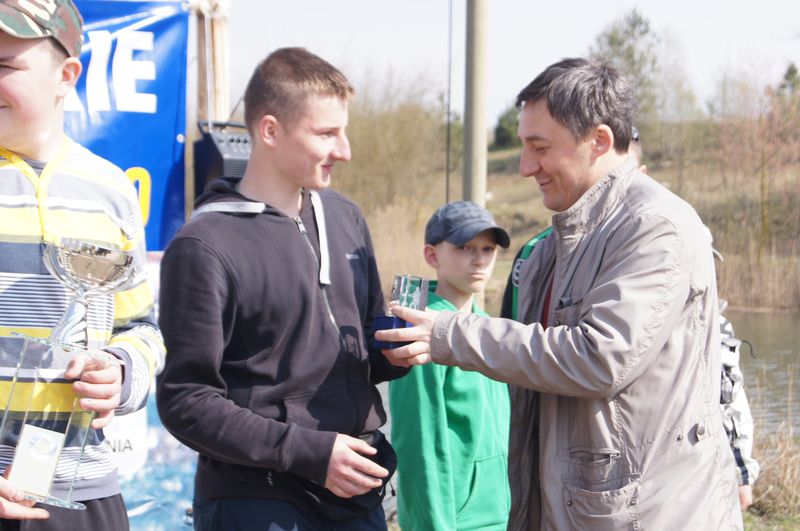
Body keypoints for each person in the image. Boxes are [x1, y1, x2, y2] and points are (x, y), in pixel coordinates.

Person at [378, 57, 743, 529]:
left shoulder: (656, 227)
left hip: (647, 516)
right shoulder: (550, 247)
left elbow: (600, 358)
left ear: (599, 141)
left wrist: (451, 336)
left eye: (540, 147)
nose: (525, 166)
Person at [156, 47, 408, 531]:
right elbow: (185, 401)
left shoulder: (346, 217)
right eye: (326, 133)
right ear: (270, 131)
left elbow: (362, 357)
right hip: (260, 500)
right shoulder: (204, 245)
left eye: (343, 131)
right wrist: (307, 451)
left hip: (357, 489)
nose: (345, 150)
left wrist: (394, 353)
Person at [0, 0, 165, 528]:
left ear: (66, 76)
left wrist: (119, 371)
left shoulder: (112, 189)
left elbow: (141, 328)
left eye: (4, 65)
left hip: (86, 486)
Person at [389, 201, 512, 531]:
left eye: (488, 249)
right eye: (464, 247)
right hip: (455, 521)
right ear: (432, 256)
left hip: (503, 516)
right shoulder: (418, 332)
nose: (479, 259)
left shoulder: (490, 329)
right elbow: (419, 446)